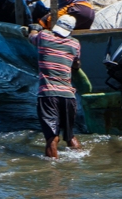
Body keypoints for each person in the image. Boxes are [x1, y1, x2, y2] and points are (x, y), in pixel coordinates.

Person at [28, 14, 82, 159]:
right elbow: (76, 65)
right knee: (70, 136)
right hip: (69, 97)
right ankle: (79, 161)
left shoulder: (44, 37)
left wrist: (34, 28)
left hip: (48, 95)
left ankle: (53, 173)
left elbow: (32, 36)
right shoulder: (75, 44)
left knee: (52, 138)